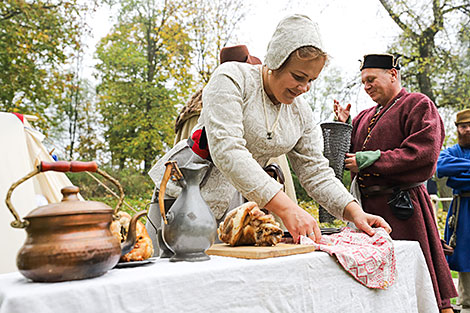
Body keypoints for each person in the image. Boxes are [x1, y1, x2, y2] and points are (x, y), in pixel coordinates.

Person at [149, 14, 391, 245]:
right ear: (276, 60)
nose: (304, 87)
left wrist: (354, 212)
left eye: (311, 80)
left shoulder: (300, 113)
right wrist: (287, 208)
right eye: (298, 76)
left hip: (240, 204)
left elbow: (316, 172)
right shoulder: (232, 79)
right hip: (186, 196)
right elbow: (227, 149)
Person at [334, 53, 457, 312]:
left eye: (371, 79)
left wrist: (372, 159)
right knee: (377, 288)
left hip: (403, 211)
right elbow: (348, 158)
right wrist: (344, 125)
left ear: (393, 74)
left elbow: (423, 153)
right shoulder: (364, 116)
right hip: (367, 211)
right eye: (363, 82)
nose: (366, 87)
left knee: (420, 283)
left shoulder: (418, 104)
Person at [437, 108, 470, 313]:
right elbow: (440, 167)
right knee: (464, 254)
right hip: (462, 212)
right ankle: (466, 303)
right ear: (457, 129)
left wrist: (459, 173)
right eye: (463, 126)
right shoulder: (450, 152)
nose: (467, 130)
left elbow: (453, 176)